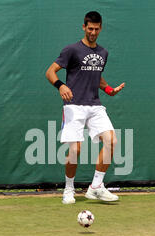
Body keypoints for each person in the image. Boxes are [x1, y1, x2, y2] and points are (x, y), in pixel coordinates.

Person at [45, 11, 125, 204]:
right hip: (74, 105)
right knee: (75, 150)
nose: (93, 32)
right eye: (90, 28)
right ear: (84, 27)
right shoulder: (71, 50)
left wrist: (108, 89)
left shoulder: (103, 53)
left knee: (111, 141)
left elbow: (96, 75)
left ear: (101, 28)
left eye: (97, 29)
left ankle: (96, 187)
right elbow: (50, 72)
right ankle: (69, 189)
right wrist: (60, 85)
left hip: (95, 105)